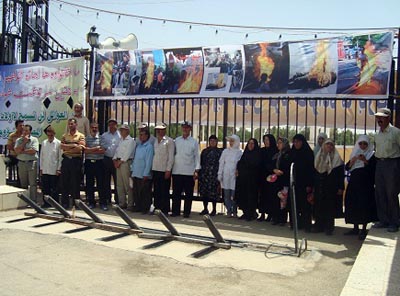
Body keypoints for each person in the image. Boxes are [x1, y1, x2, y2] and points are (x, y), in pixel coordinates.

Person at [373, 108, 400, 233]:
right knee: (380, 193)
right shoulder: (377, 134)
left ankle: (394, 222)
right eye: (378, 117)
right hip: (380, 164)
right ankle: (383, 220)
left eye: (382, 117)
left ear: (388, 118)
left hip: (392, 164)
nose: (379, 119)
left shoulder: (395, 132)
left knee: (391, 194)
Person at [344, 135, 377, 240]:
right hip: (354, 183)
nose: (362, 146)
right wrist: (352, 161)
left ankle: (363, 229)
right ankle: (355, 227)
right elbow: (347, 167)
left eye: (365, 144)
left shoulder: (371, 155)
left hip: (365, 185)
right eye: (360, 144)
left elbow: (373, 169)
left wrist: (365, 161)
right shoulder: (355, 153)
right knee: (353, 203)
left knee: (364, 205)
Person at [313, 139, 344, 235]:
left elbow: (340, 174)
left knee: (330, 207)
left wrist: (340, 187)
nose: (329, 147)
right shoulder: (319, 157)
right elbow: (315, 171)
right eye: (327, 145)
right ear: (323, 146)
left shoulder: (337, 159)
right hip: (320, 186)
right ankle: (319, 226)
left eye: (331, 145)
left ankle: (329, 228)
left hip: (331, 186)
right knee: (318, 206)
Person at [171, 121, 200, 218]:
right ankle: (176, 211)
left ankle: (187, 212)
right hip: (177, 170)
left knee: (188, 194)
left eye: (187, 128)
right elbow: (173, 154)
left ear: (190, 129)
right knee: (176, 193)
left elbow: (197, 156)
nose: (185, 129)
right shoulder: (177, 141)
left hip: (188, 171)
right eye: (183, 127)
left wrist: (196, 170)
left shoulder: (194, 142)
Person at [60, 118, 86, 209]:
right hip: (66, 160)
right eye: (69, 124)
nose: (71, 125)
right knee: (65, 183)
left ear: (76, 125)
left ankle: (76, 203)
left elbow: (80, 148)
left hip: (76, 161)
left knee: (75, 183)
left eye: (72, 124)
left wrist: (68, 147)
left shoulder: (80, 136)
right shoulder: (64, 136)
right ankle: (65, 203)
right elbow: (62, 147)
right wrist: (73, 145)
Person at [291, 134, 315, 231]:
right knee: (295, 204)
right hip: (294, 182)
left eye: (298, 142)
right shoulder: (292, 153)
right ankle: (296, 224)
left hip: (305, 184)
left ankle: (306, 225)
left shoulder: (308, 153)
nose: (296, 144)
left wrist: (309, 184)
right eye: (295, 142)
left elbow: (311, 170)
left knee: (305, 206)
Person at [236, 138, 261, 221]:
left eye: (252, 143)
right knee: (243, 196)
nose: (250, 145)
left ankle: (251, 214)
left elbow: (255, 165)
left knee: (251, 197)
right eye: (249, 143)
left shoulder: (257, 154)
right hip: (243, 180)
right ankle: (245, 212)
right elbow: (240, 163)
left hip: (252, 180)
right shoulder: (245, 154)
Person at [152, 122, 175, 215]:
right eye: (158, 130)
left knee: (164, 190)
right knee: (156, 190)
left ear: (165, 130)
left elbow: (171, 156)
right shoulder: (155, 141)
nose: (159, 131)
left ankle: (165, 209)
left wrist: (168, 169)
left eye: (161, 130)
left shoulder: (169, 141)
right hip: (156, 168)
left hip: (164, 169)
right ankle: (157, 207)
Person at [218, 134, 242, 218]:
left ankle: (234, 210)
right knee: (227, 194)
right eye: (230, 141)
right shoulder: (225, 151)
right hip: (226, 175)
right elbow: (221, 163)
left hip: (234, 176)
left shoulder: (240, 152)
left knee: (234, 194)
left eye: (233, 141)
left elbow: (241, 164)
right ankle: (229, 210)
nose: (231, 143)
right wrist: (220, 174)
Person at [84, 122, 107, 211]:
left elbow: (103, 151)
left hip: (99, 163)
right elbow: (85, 151)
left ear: (98, 128)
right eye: (92, 127)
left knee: (101, 184)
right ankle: (91, 202)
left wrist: (90, 150)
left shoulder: (101, 138)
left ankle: (103, 203)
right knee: (89, 183)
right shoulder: (86, 138)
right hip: (89, 163)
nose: (94, 129)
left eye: (96, 127)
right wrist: (96, 148)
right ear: (90, 128)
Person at [270, 137, 293, 226]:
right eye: (278, 143)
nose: (278, 144)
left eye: (280, 143)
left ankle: (283, 219)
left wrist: (282, 171)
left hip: (285, 180)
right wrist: (274, 170)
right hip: (276, 180)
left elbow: (289, 166)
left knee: (283, 199)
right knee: (276, 199)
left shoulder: (288, 154)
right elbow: (271, 164)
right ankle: (277, 217)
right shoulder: (277, 154)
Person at [131, 128, 154, 214]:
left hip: (144, 173)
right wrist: (132, 170)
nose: (140, 137)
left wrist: (146, 173)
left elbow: (149, 161)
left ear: (146, 136)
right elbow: (135, 159)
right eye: (139, 135)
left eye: (142, 135)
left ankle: (145, 208)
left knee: (145, 192)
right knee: (136, 191)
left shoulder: (149, 147)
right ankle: (138, 206)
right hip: (136, 172)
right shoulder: (139, 145)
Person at [113, 124, 136, 210]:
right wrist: (115, 159)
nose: (121, 131)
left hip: (125, 163)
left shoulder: (131, 141)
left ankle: (130, 204)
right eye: (120, 130)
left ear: (127, 131)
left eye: (123, 130)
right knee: (119, 184)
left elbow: (128, 153)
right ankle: (122, 203)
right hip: (118, 162)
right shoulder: (121, 140)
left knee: (128, 185)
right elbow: (117, 151)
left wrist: (120, 161)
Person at [14, 124, 39, 203]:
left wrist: (22, 151)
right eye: (23, 130)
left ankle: (33, 201)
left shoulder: (34, 139)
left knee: (32, 184)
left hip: (31, 163)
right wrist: (24, 143)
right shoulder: (19, 140)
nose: (24, 132)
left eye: (26, 130)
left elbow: (33, 151)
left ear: (30, 132)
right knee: (23, 183)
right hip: (21, 163)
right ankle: (24, 201)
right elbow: (17, 151)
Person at [199, 135, 223, 216]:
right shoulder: (205, 151)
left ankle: (214, 209)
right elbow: (201, 162)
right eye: (211, 141)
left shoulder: (220, 152)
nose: (212, 142)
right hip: (205, 175)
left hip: (214, 175)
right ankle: (205, 208)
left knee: (214, 193)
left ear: (216, 142)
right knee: (204, 193)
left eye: (214, 141)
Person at [39, 125, 62, 207]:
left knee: (54, 188)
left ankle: (55, 204)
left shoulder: (58, 143)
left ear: (54, 134)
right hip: (45, 169)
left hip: (54, 169)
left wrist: (59, 169)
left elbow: (60, 157)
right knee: (45, 188)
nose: (50, 136)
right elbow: (41, 157)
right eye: (48, 135)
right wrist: (41, 168)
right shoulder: (44, 143)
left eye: (51, 135)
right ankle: (46, 203)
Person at [258, 134, 278, 222]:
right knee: (262, 195)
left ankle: (270, 214)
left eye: (267, 140)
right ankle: (262, 214)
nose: (266, 142)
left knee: (270, 196)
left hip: (271, 176)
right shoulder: (262, 151)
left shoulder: (275, 151)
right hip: (262, 176)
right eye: (264, 140)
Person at [101, 118, 121, 205]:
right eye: (110, 124)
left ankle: (118, 199)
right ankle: (107, 199)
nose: (111, 126)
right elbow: (101, 146)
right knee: (106, 180)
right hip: (107, 159)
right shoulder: (104, 135)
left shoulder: (120, 136)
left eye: (113, 124)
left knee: (117, 181)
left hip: (117, 160)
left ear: (116, 125)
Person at [6, 120, 24, 185]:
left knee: (21, 168)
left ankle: (19, 185)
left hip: (21, 157)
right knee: (3, 162)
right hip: (13, 156)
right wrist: (17, 149)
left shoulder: (25, 136)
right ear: (16, 127)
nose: (22, 127)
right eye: (20, 126)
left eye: (23, 125)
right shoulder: (12, 135)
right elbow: (9, 146)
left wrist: (17, 148)